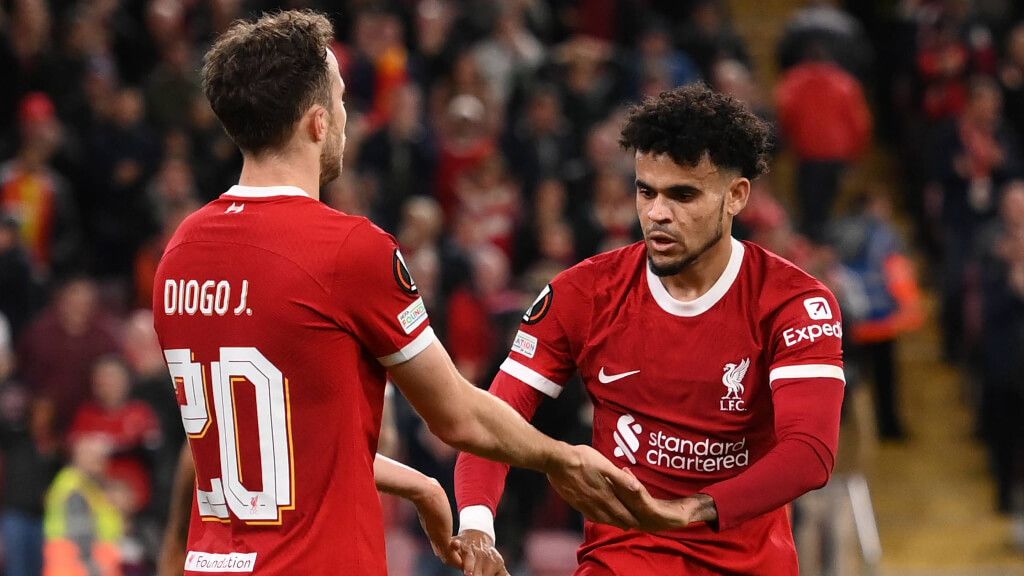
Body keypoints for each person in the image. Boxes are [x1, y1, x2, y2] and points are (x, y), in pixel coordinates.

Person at [152, 11, 645, 576]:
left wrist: (422, 486)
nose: (346, 116)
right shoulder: (347, 249)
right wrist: (563, 458)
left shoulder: (181, 252)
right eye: (340, 100)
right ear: (317, 123)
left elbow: (261, 443)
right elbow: (458, 416)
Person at [454, 84, 847, 575]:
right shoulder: (585, 293)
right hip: (623, 562)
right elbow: (494, 418)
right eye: (646, 191)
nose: (658, 213)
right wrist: (476, 525)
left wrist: (688, 509)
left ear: (736, 196)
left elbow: (809, 453)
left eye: (683, 194)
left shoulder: (793, 303)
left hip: (748, 564)